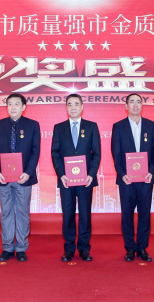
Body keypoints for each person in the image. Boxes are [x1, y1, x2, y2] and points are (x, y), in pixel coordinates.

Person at [0, 93, 41, 262]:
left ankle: (21, 248)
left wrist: (28, 172)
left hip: (23, 177)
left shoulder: (33, 125)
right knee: (6, 213)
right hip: (3, 177)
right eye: (10, 104)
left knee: (23, 213)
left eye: (16, 104)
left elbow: (35, 150)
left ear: (23, 107)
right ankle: (7, 248)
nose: (13, 107)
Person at [51, 94, 101, 262]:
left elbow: (97, 153)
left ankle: (84, 249)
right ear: (66, 107)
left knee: (85, 214)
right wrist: (61, 174)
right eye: (70, 104)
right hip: (66, 180)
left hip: (86, 180)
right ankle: (69, 249)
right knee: (68, 214)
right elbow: (55, 153)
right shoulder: (59, 128)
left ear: (82, 107)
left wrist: (91, 174)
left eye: (76, 104)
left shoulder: (92, 126)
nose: (73, 107)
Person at [111, 93, 154, 262]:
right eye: (132, 102)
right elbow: (116, 153)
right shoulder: (118, 126)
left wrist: (151, 171)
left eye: (138, 102)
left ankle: (142, 248)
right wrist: (122, 174)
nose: (135, 105)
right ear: (126, 106)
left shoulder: (151, 125)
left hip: (146, 179)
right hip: (127, 180)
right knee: (127, 215)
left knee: (144, 214)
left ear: (142, 105)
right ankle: (130, 248)